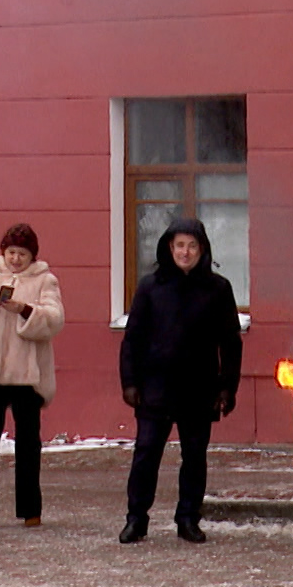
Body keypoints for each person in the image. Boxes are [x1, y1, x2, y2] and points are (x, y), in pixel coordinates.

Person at [117, 218, 242, 545]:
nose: (185, 252)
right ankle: (136, 519)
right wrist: (130, 382)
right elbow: (132, 339)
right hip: (155, 387)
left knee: (195, 456)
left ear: (202, 250)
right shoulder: (150, 287)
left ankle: (188, 518)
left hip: (200, 387)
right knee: (146, 454)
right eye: (179, 246)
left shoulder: (218, 289)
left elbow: (230, 342)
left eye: (192, 246)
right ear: (169, 248)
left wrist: (227, 387)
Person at [0, 223, 64, 527]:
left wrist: (24, 309)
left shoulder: (45, 280)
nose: (15, 259)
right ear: (3, 252)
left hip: (27, 375)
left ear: (32, 255)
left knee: (28, 444)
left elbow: (55, 319)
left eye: (22, 254)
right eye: (11, 252)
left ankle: (30, 509)